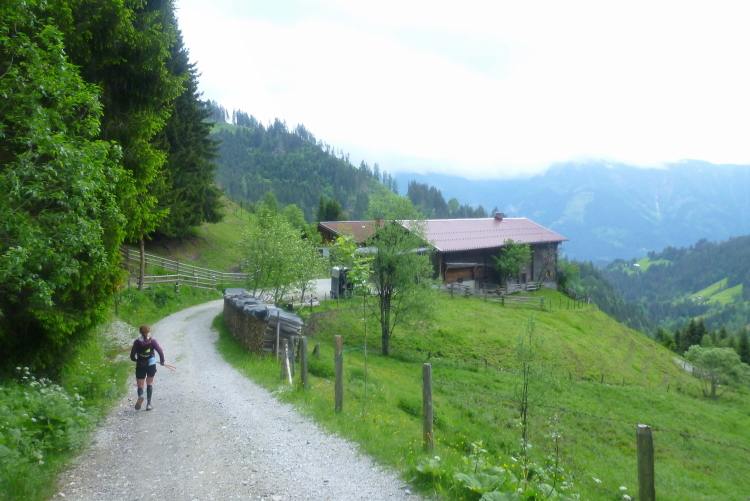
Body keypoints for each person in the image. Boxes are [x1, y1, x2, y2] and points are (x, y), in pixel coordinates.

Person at [129, 324, 165, 411]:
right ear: (149, 331)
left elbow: (132, 355)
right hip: (151, 365)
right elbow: (160, 351)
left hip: (140, 365)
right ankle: (149, 404)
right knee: (149, 383)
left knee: (140, 384)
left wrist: (135, 360)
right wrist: (162, 361)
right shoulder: (152, 341)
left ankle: (140, 396)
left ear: (140, 332)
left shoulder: (137, 342)